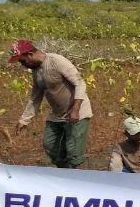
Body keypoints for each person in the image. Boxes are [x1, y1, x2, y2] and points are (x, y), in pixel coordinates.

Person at [10, 40, 93, 169]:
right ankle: (65, 173)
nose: (23, 65)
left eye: (22, 61)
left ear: (30, 54)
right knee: (50, 146)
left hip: (78, 112)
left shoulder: (57, 61)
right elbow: (35, 96)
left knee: (74, 153)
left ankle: (77, 179)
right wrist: (24, 120)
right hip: (58, 114)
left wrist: (75, 110)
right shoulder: (36, 70)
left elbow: (80, 83)